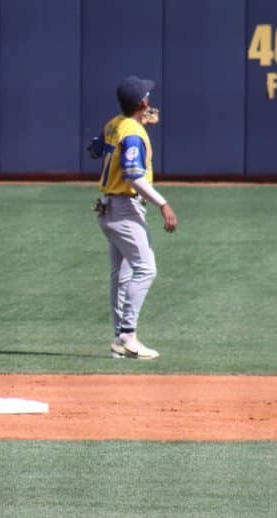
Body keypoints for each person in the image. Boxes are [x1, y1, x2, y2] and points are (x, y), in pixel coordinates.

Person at [88, 76, 178, 360]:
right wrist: (163, 204)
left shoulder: (114, 124)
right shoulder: (132, 133)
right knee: (145, 270)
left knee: (122, 274)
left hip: (108, 207)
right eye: (147, 95)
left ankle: (120, 339)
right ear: (143, 103)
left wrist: (134, 124)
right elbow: (133, 176)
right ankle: (127, 335)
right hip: (125, 208)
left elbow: (94, 149)